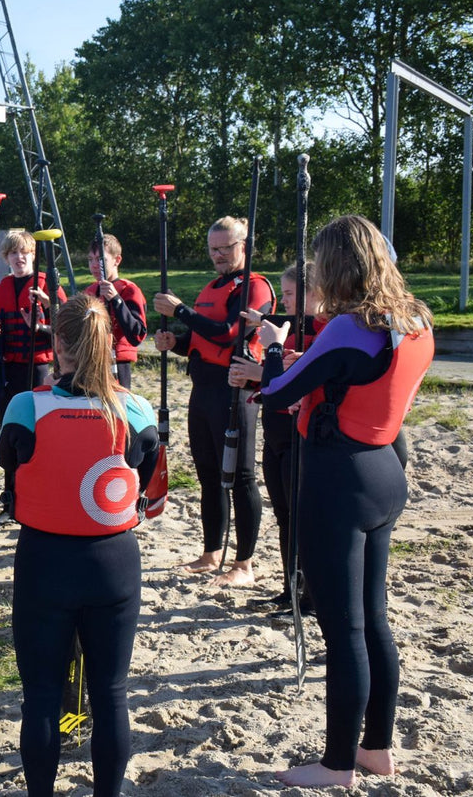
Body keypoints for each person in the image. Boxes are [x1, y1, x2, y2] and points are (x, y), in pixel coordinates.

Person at [256, 215, 433, 789]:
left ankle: (336, 765)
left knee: (344, 630)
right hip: (385, 470)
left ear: (336, 266)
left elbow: (276, 393)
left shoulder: (347, 328)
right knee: (374, 620)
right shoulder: (414, 319)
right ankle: (376, 748)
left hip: (339, 481)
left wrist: (274, 348)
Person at [0, 295, 159, 797]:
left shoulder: (26, 406)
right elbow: (148, 469)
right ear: (108, 343)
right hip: (113, 561)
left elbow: (10, 463)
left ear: (57, 343)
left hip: (45, 560)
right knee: (110, 694)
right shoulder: (135, 408)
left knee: (42, 696)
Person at [153, 216, 274, 587]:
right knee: (208, 474)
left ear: (244, 247)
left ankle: (244, 564)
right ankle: (210, 554)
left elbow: (229, 334)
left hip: (235, 390)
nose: (218, 255)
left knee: (241, 477)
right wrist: (176, 342)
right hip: (203, 389)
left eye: (226, 248)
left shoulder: (254, 287)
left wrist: (180, 311)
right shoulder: (212, 287)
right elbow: (200, 340)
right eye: (213, 249)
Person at [228, 262, 325, 612]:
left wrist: (259, 371)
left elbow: (302, 375)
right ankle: (291, 587)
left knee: (301, 515)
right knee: (283, 513)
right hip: (275, 427)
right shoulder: (287, 329)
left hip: (300, 428)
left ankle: (310, 595)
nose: (283, 301)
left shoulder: (322, 330)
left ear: (314, 293)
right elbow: (272, 377)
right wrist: (251, 378)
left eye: (289, 294)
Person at [0, 229, 67, 531]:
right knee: (11, 434)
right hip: (9, 370)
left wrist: (47, 310)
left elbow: (67, 330)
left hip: (40, 369)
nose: (19, 258)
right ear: (6, 257)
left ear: (33, 254)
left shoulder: (47, 285)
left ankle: (43, 499)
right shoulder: (1, 289)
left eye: (25, 252)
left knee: (43, 434)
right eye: (13, 253)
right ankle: (11, 502)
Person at [82, 231, 147, 390]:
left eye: (101, 259)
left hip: (117, 362)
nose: (94, 265)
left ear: (117, 260)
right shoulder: (89, 291)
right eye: (90, 260)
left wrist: (116, 300)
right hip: (92, 361)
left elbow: (137, 334)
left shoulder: (129, 290)